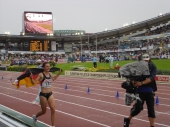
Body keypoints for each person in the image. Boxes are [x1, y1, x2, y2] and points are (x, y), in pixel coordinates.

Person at [124, 54, 157, 127]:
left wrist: (141, 83)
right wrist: (133, 82)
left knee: (151, 110)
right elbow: (130, 75)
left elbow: (151, 78)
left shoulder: (152, 66)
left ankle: (152, 126)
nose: (146, 62)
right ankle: (128, 119)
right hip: (139, 92)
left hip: (149, 90)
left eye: (147, 60)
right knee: (137, 108)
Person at [30, 62, 62, 127]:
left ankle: (53, 126)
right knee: (44, 111)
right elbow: (34, 82)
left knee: (53, 110)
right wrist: (31, 78)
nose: (48, 68)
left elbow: (54, 78)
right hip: (43, 95)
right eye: (47, 66)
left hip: (50, 94)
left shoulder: (50, 73)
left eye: (49, 66)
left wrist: (59, 73)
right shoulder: (41, 75)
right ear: (43, 67)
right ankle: (35, 116)